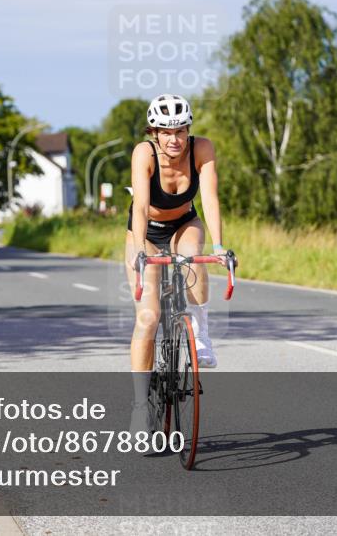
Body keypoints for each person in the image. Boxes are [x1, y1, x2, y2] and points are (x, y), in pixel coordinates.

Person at [125, 94, 229, 433]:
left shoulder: (202, 149)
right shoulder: (144, 153)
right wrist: (141, 249)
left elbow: (210, 198)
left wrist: (220, 245)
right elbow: (141, 206)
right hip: (146, 232)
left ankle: (200, 335)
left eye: (181, 131)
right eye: (166, 132)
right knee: (149, 316)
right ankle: (141, 407)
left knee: (191, 255)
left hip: (184, 223)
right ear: (153, 132)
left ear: (189, 130)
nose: (175, 140)